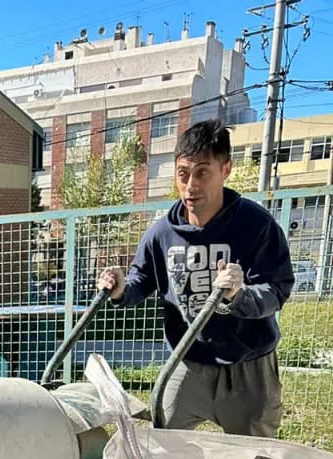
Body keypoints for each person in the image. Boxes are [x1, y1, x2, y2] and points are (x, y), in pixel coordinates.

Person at [97, 119, 294, 436]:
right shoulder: (163, 232)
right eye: (183, 173)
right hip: (187, 361)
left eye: (203, 172)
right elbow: (140, 280)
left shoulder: (255, 225)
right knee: (164, 441)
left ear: (225, 169)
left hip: (248, 365)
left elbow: (276, 291)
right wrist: (121, 289)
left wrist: (239, 295)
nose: (191, 185)